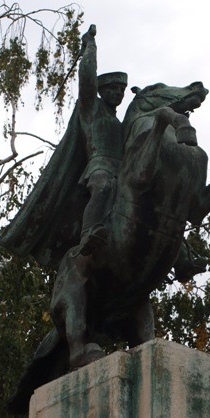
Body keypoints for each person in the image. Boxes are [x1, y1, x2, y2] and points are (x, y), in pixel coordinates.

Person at [72, 25, 128, 256]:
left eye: (121, 90)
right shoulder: (91, 108)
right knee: (103, 186)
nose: (118, 93)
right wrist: (90, 46)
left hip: (122, 169)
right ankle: (88, 234)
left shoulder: (120, 123)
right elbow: (87, 78)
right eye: (113, 89)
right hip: (99, 165)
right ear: (102, 91)